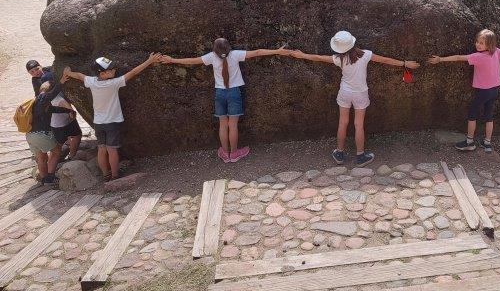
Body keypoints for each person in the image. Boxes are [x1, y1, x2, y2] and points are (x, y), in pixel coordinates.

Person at [290, 31, 420, 165]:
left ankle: (339, 153)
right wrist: (405, 63)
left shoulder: (339, 59)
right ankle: (360, 156)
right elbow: (386, 60)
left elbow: (318, 57)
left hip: (345, 92)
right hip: (360, 93)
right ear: (352, 43)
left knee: (342, 123)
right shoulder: (365, 54)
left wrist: (302, 55)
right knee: (359, 125)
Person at [157, 39, 291, 162]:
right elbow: (257, 52)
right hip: (234, 93)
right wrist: (277, 51)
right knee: (233, 125)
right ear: (228, 47)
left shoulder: (211, 57)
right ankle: (234, 153)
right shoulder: (235, 54)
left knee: (223, 124)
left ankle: (225, 153)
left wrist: (172, 60)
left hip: (220, 93)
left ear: (215, 49)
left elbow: (192, 61)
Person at [427, 29, 500, 152]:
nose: (478, 44)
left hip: (483, 91)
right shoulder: (496, 52)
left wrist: (440, 59)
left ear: (489, 44)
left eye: (481, 43)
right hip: (494, 90)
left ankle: (469, 142)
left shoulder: (478, 56)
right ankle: (487, 143)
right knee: (489, 115)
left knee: (472, 113)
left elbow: (458, 57)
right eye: (477, 41)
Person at [62, 53, 161, 181]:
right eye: (111, 70)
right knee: (112, 150)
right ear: (103, 73)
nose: (114, 70)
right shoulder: (113, 83)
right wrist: (149, 61)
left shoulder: (92, 81)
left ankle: (105, 174)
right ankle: (115, 175)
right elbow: (133, 72)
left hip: (98, 122)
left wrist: (68, 73)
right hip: (112, 122)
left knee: (101, 149)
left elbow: (80, 76)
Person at [26, 79, 64, 185]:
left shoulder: (37, 101)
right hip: (41, 134)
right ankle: (50, 176)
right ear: (49, 90)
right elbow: (54, 92)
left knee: (41, 157)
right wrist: (62, 81)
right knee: (56, 151)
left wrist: (68, 111)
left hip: (30, 135)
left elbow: (53, 110)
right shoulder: (44, 97)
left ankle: (44, 179)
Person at [49, 87, 83, 160]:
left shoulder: (45, 97)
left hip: (54, 124)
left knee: (58, 145)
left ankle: (51, 161)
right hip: (64, 123)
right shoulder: (59, 99)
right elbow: (72, 112)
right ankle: (71, 156)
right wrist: (72, 117)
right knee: (76, 136)